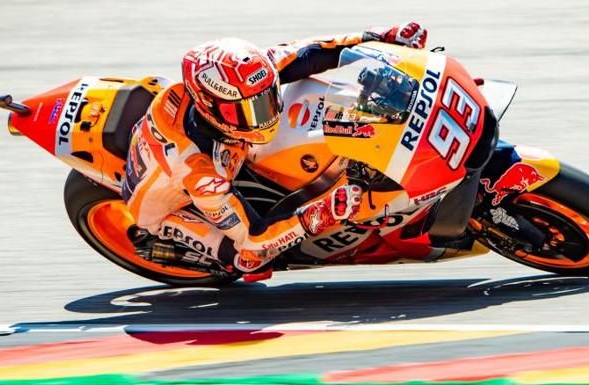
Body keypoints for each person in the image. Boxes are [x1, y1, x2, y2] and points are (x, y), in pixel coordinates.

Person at [121, 22, 428, 281]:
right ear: (210, 108)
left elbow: (310, 53)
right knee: (251, 260)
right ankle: (170, 241)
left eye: (266, 99)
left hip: (220, 151)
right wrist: (321, 212)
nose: (264, 116)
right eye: (249, 111)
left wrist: (378, 38)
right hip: (168, 205)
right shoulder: (199, 171)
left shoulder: (247, 77)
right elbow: (255, 237)